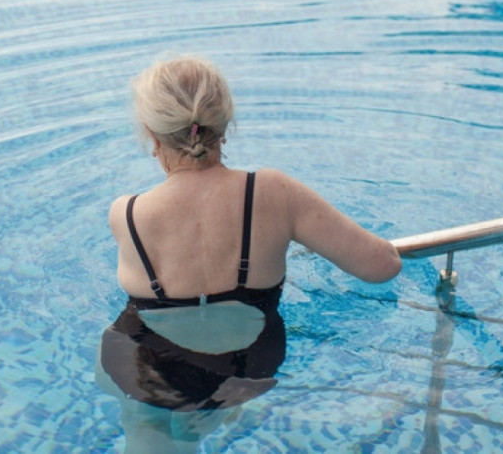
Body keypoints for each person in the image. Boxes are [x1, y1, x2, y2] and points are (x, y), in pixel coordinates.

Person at [97, 56, 400, 428]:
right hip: (246, 369)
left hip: (144, 369)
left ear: (151, 134)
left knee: (146, 429)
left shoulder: (127, 213)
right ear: (224, 125)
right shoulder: (274, 193)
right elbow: (381, 266)